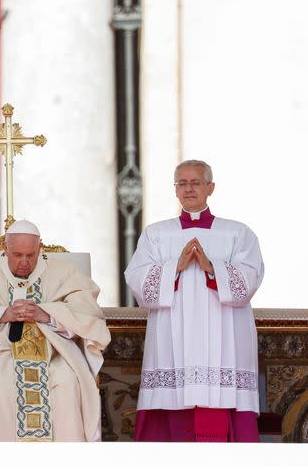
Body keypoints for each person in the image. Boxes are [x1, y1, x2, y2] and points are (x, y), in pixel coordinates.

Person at [124, 159, 265, 442]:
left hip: (224, 334)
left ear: (210, 188)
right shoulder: (157, 234)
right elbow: (138, 280)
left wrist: (212, 267)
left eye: (196, 182)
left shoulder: (237, 232)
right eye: (182, 183)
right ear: (175, 189)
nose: (189, 189)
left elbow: (249, 280)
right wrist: (174, 267)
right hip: (172, 333)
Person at [0, 220, 110, 442]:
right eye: (17, 255)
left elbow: (88, 312)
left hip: (55, 355)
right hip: (1, 353)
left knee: (67, 383)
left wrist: (45, 314)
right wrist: (1, 314)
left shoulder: (64, 273)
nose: (25, 263)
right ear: (5, 249)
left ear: (40, 249)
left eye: (31, 255)